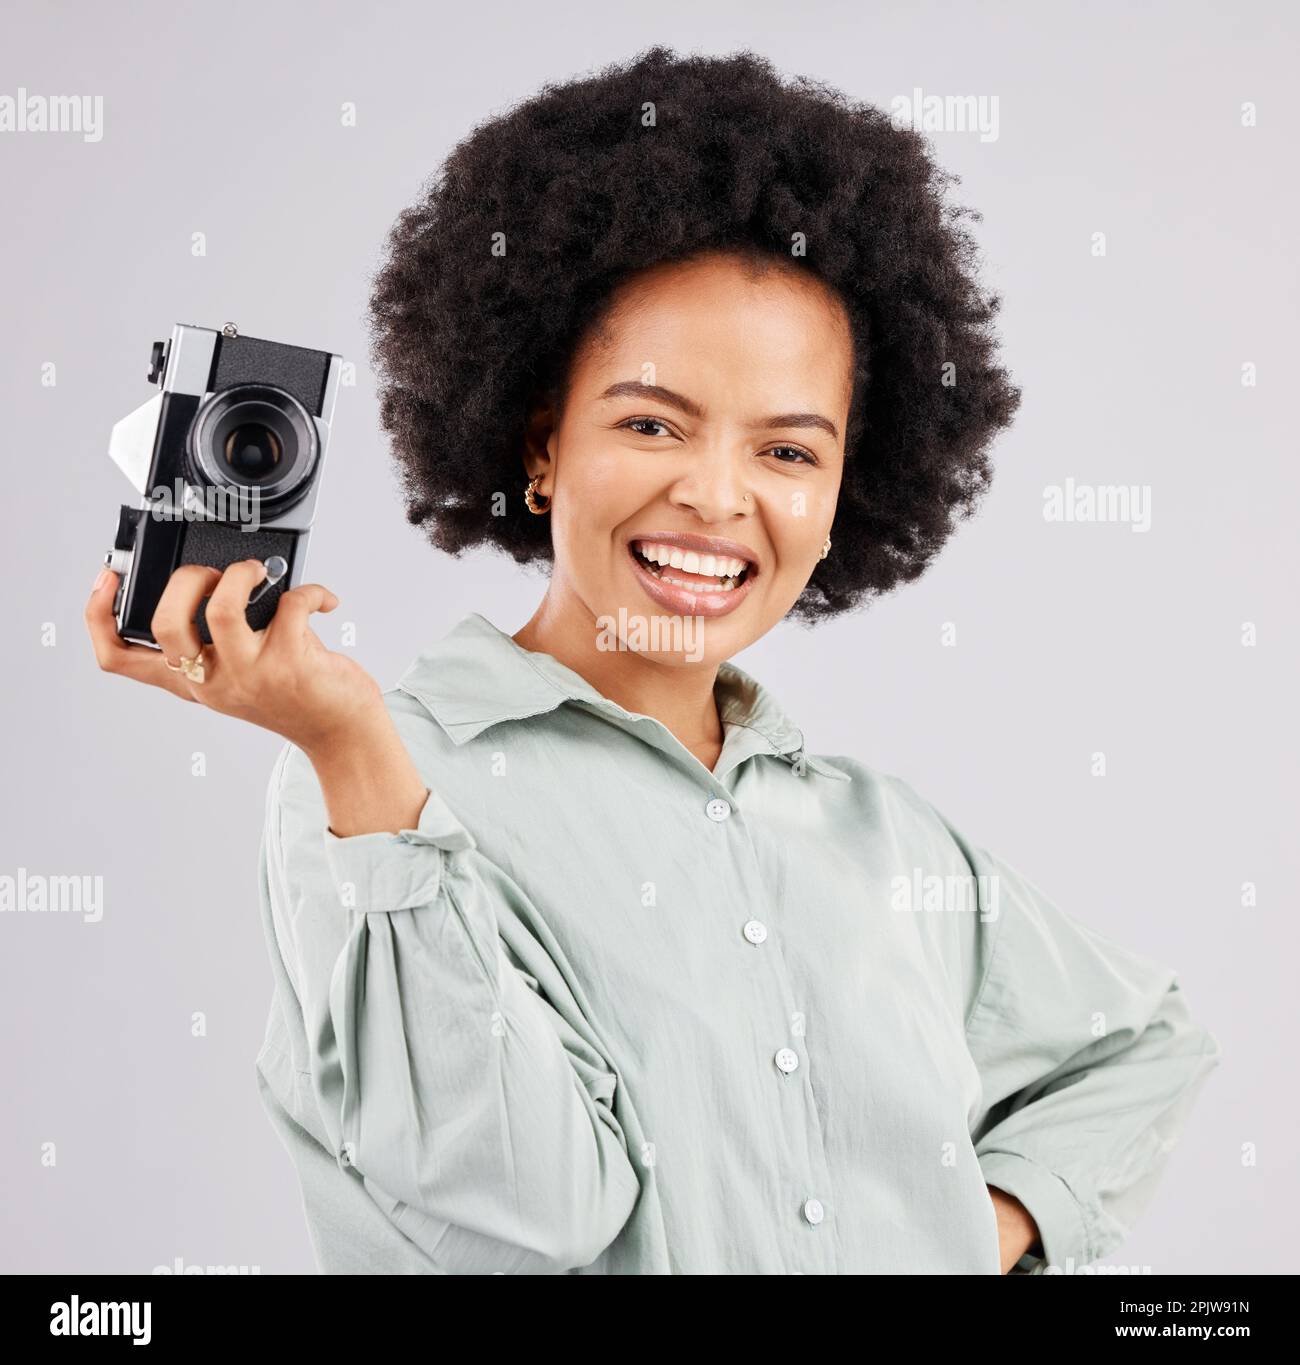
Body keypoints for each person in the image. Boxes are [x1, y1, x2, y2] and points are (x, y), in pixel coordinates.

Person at [86, 46, 1221, 1274]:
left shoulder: (880, 838)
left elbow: (1143, 1042)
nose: (716, 496)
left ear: (850, 491)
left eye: (789, 452)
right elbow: (524, 1212)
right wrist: (351, 752)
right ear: (540, 444)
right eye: (648, 423)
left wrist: (989, 1231)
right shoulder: (376, 792)